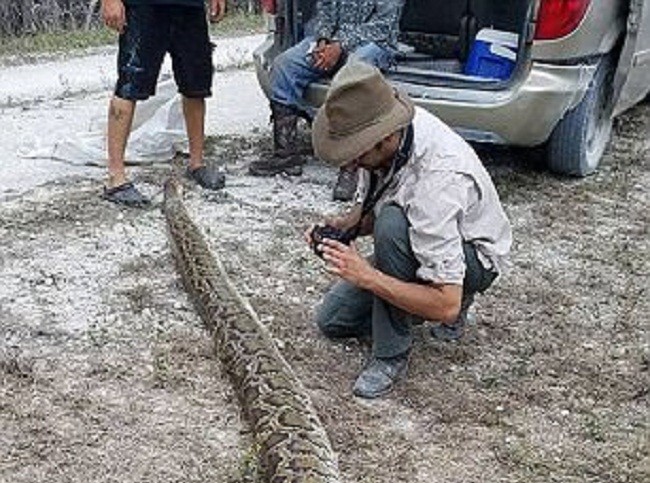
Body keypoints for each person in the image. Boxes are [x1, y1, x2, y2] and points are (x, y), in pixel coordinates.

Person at [309, 60, 513, 398]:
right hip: (423, 239)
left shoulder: (436, 181)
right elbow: (384, 191)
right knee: (333, 321)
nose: (349, 163)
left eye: (355, 154)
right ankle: (418, 294)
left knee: (391, 225)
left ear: (385, 137)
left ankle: (391, 354)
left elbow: (444, 303)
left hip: (472, 257)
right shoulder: (385, 135)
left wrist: (369, 277)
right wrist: (347, 228)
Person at [249, 0, 404, 200]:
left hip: (373, 43)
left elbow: (384, 26)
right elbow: (324, 11)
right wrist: (322, 40)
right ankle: (285, 155)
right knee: (284, 65)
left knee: (353, 71)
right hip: (332, 43)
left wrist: (340, 45)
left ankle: (352, 166)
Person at [100, 0, 228, 207]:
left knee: (196, 85)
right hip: (144, 7)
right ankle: (115, 178)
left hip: (189, 7)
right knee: (129, 84)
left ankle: (197, 164)